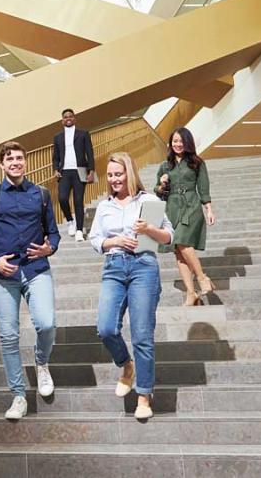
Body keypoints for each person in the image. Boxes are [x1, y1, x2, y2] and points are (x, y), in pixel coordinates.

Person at [0, 141, 61, 419]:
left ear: (26, 162)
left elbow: (54, 234)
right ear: (1, 165)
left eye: (20, 158)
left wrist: (50, 248)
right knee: (9, 337)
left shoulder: (41, 194)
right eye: (10, 158)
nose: (15, 162)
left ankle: (41, 363)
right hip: (2, 276)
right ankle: (18, 396)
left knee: (47, 323)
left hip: (36, 270)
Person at [89, 152, 174, 419]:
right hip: (114, 267)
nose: (115, 179)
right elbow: (95, 239)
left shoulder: (149, 200)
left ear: (130, 173)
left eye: (119, 173)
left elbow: (169, 236)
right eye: (111, 175)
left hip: (143, 267)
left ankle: (144, 395)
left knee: (142, 335)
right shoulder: (105, 207)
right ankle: (126, 365)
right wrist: (114, 242)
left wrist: (148, 228)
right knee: (105, 327)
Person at [153, 127, 216, 306]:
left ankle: (202, 278)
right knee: (178, 252)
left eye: (181, 141)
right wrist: (162, 184)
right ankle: (191, 293)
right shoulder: (165, 166)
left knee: (181, 241)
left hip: (191, 205)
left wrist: (209, 209)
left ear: (187, 143)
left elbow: (203, 188)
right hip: (172, 208)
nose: (177, 144)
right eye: (174, 141)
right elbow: (157, 191)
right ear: (170, 144)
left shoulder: (197, 162)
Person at [53, 108, 95, 242]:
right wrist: (55, 169)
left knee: (78, 201)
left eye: (70, 116)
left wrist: (91, 171)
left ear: (74, 118)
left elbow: (90, 153)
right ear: (62, 120)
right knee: (62, 198)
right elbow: (55, 157)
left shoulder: (83, 134)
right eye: (65, 117)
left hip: (80, 171)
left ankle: (78, 230)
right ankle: (70, 220)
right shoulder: (58, 137)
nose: (68, 118)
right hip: (64, 172)